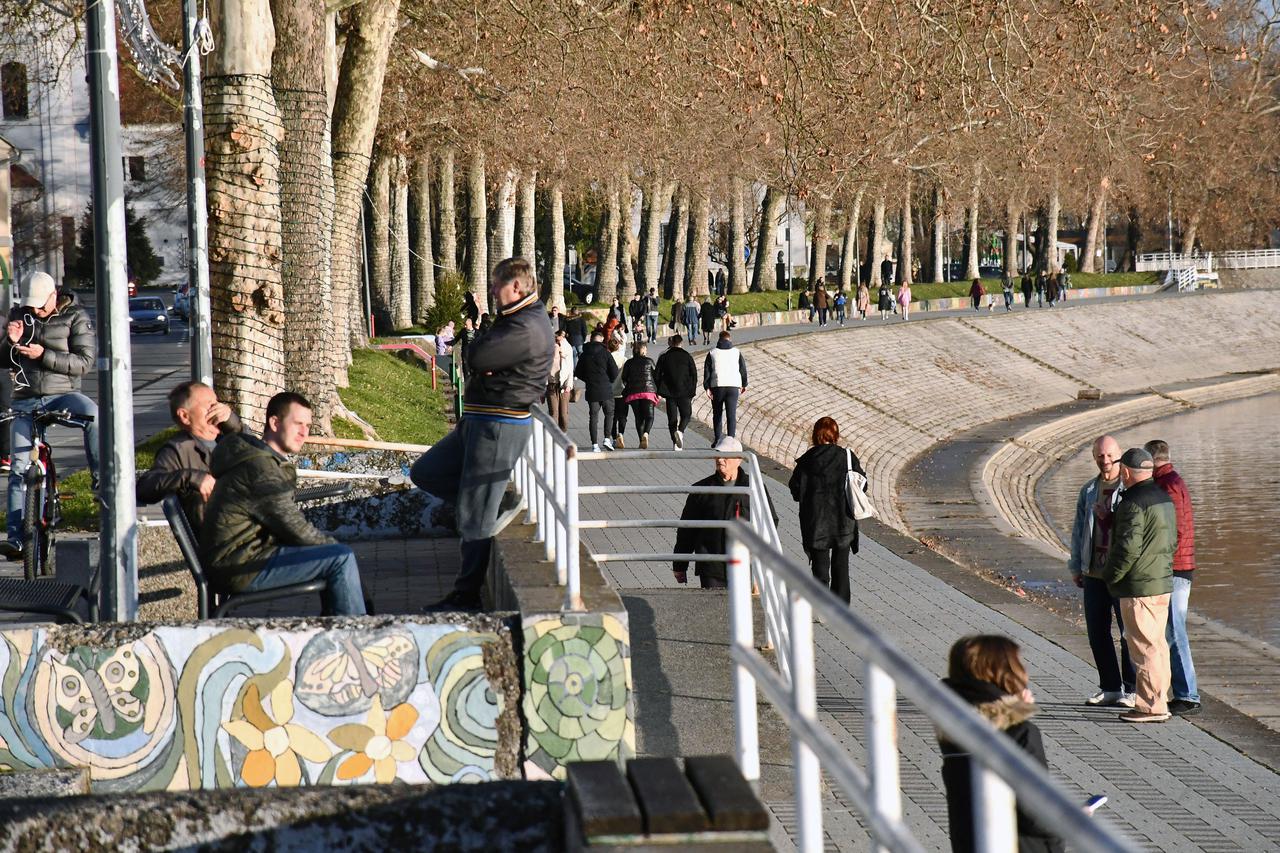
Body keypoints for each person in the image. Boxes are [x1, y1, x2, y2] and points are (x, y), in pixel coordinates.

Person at [410, 257, 556, 611]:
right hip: (480, 419)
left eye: (496, 285)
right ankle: (490, 503)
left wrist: (476, 334)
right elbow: (481, 359)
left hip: (499, 424)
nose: (492, 291)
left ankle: (466, 595)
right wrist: (482, 344)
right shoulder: (514, 318)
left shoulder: (527, 325)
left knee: (475, 519)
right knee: (425, 472)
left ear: (516, 286)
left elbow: (476, 357)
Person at [201, 392, 367, 616]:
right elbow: (293, 527)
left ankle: (343, 624)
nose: (304, 432)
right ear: (275, 423)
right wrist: (331, 545)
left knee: (334, 554)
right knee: (340, 558)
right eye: (298, 424)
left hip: (239, 557)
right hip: (239, 567)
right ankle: (356, 629)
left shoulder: (256, 455)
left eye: (308, 425)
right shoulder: (262, 470)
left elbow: (288, 524)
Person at [1, 272, 99, 560]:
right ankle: (16, 538)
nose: (35, 310)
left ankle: (100, 481)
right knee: (19, 469)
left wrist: (43, 355)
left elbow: (84, 362)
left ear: (53, 296)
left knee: (93, 415)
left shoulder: (75, 316)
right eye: (30, 305)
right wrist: (10, 342)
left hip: (62, 394)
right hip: (25, 398)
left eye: (40, 305)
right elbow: (2, 360)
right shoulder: (19, 315)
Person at [939, 636, 1065, 853]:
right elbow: (1035, 814)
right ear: (1006, 673)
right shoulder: (1022, 733)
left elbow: (985, 721)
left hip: (970, 841)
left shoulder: (951, 724)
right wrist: (1070, 820)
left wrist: (1014, 709)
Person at [1099, 447, 1176, 723]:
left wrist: (1110, 575)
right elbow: (1172, 540)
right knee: (1158, 645)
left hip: (1138, 587)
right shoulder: (1164, 498)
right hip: (1160, 582)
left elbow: (1127, 549)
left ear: (1126, 472)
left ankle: (1150, 707)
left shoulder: (1132, 503)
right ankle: (1159, 700)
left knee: (1144, 647)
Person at [1067, 435, 1136, 706]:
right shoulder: (1088, 490)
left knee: (1128, 632)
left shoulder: (1129, 489)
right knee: (1097, 632)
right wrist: (1076, 566)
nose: (1105, 461)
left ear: (1119, 455)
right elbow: (1078, 530)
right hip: (1093, 573)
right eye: (1100, 456)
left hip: (1121, 574)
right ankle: (1110, 687)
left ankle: (1132, 689)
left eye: (1109, 455)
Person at [136, 381, 243, 532]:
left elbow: (258, 450)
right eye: (210, 405)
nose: (217, 410)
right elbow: (145, 487)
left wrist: (231, 419)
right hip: (224, 536)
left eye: (217, 404)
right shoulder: (179, 450)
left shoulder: (228, 440)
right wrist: (192, 478)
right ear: (185, 416)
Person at [1143, 439, 1200, 715]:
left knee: (1175, 631)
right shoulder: (1171, 481)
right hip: (1177, 566)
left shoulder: (1168, 486)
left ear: (1152, 460)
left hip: (1175, 568)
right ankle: (1180, 692)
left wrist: (1157, 560)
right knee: (1171, 630)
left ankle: (1188, 695)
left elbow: (1173, 532)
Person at [672, 436, 774, 589]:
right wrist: (680, 565)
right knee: (714, 604)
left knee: (745, 604)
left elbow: (770, 523)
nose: (720, 459)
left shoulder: (754, 487)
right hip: (712, 568)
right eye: (717, 455)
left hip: (746, 565)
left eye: (726, 455)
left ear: (739, 459)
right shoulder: (701, 489)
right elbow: (687, 531)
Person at [788, 417, 864, 605]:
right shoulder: (847, 457)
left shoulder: (807, 461)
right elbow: (863, 484)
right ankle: (841, 608)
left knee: (820, 570)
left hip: (817, 524)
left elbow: (796, 490)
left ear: (815, 436)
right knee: (841, 567)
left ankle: (823, 606)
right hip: (843, 522)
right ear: (836, 436)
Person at [574, 329, 619, 452]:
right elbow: (615, 372)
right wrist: (608, 380)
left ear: (590, 339)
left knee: (593, 417)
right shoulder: (606, 353)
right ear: (602, 340)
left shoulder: (584, 354)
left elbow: (578, 372)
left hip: (592, 390)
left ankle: (594, 444)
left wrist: (588, 379)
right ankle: (607, 439)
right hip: (606, 389)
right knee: (609, 414)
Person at [704, 330, 748, 444]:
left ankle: (717, 439)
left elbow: (707, 372)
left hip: (717, 386)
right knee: (731, 415)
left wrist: (707, 387)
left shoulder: (712, 353)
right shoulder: (737, 352)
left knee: (717, 414)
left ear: (719, 339)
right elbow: (743, 369)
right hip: (733, 386)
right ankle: (730, 441)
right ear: (729, 339)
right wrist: (744, 384)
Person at [655, 334, 697, 450]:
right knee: (686, 415)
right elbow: (694, 374)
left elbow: (657, 375)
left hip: (669, 392)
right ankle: (681, 431)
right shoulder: (687, 356)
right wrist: (692, 390)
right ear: (681, 343)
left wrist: (659, 390)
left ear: (672, 343)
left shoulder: (664, 357)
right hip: (685, 392)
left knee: (672, 419)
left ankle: (675, 443)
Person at [620, 341, 658, 449]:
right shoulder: (649, 361)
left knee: (639, 417)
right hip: (648, 392)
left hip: (633, 393)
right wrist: (657, 391)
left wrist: (629, 385)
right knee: (649, 416)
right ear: (643, 350)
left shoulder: (629, 362)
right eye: (645, 349)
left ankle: (641, 440)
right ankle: (646, 433)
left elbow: (624, 378)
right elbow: (656, 376)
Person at [545, 329, 573, 432]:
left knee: (563, 414)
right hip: (551, 385)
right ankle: (553, 436)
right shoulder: (548, 351)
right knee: (553, 413)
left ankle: (563, 434)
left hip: (563, 386)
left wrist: (569, 384)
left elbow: (570, 368)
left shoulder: (567, 349)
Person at [607, 335, 629, 448]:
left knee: (612, 417)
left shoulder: (607, 359)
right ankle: (621, 434)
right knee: (623, 416)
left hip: (609, 392)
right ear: (618, 346)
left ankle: (615, 438)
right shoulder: (624, 359)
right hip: (622, 391)